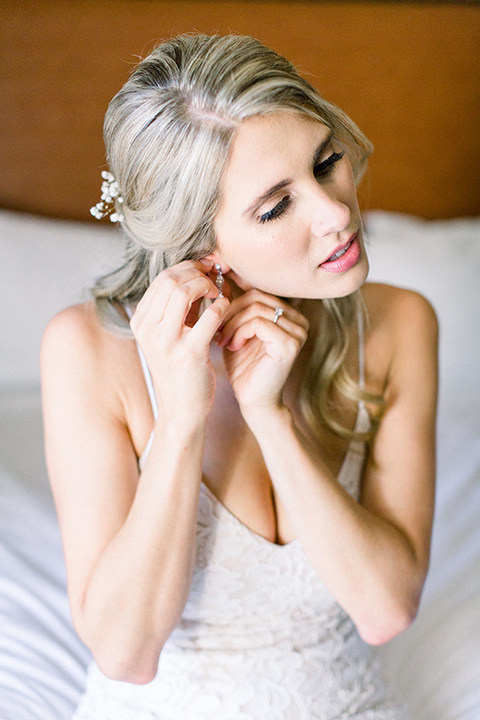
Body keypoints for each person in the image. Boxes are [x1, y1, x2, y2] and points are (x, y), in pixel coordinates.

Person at [40, 34, 438, 719]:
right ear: (200, 245)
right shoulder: (87, 351)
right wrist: (182, 416)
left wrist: (271, 417)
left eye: (326, 161)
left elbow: (385, 609)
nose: (337, 213)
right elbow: (126, 656)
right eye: (277, 206)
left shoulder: (401, 323)